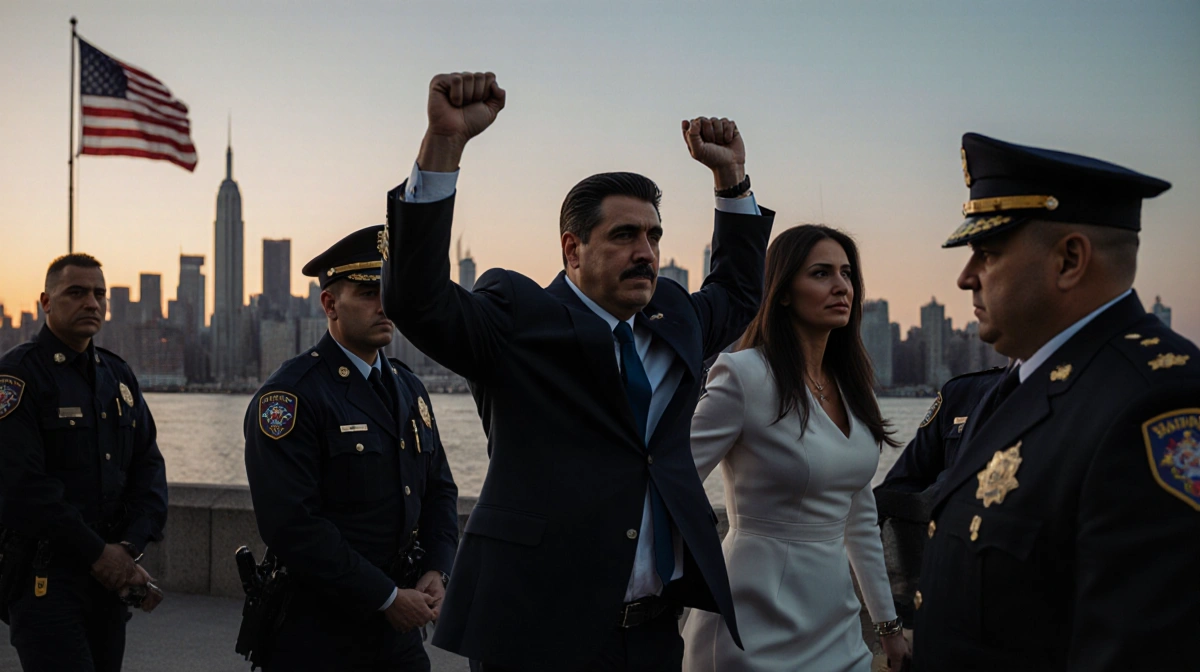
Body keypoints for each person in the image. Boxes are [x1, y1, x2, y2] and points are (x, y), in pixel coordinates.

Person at [381, 72, 774, 671]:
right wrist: (444, 146)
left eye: (653, 236)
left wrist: (731, 179)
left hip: (652, 633)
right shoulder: (518, 317)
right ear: (572, 250)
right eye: (624, 236)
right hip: (538, 635)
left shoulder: (675, 318)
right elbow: (418, 301)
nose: (646, 252)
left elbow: (739, 289)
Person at [913, 133, 1200, 671]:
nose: (965, 277)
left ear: (1069, 260)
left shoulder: (1155, 405)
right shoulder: (1017, 385)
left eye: (988, 253)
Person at [681, 225, 910, 672]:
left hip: (837, 622)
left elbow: (860, 520)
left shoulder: (854, 387)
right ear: (783, 291)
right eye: (821, 273)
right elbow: (676, 483)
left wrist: (888, 626)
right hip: (752, 620)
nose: (841, 286)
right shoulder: (743, 376)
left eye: (847, 274)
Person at [243, 226, 459, 671]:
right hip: (320, 632)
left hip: (400, 625)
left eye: (388, 292)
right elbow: (291, 524)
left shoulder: (409, 388)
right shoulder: (292, 395)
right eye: (367, 293)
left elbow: (439, 490)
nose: (384, 305)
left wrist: (437, 569)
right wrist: (385, 596)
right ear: (329, 305)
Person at [0, 253, 167, 672]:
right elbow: (23, 488)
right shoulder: (17, 377)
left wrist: (128, 549)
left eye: (99, 294)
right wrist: (98, 554)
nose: (91, 303)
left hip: (109, 583)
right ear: (46, 301)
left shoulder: (118, 376)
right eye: (76, 292)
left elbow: (149, 469)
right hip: (44, 580)